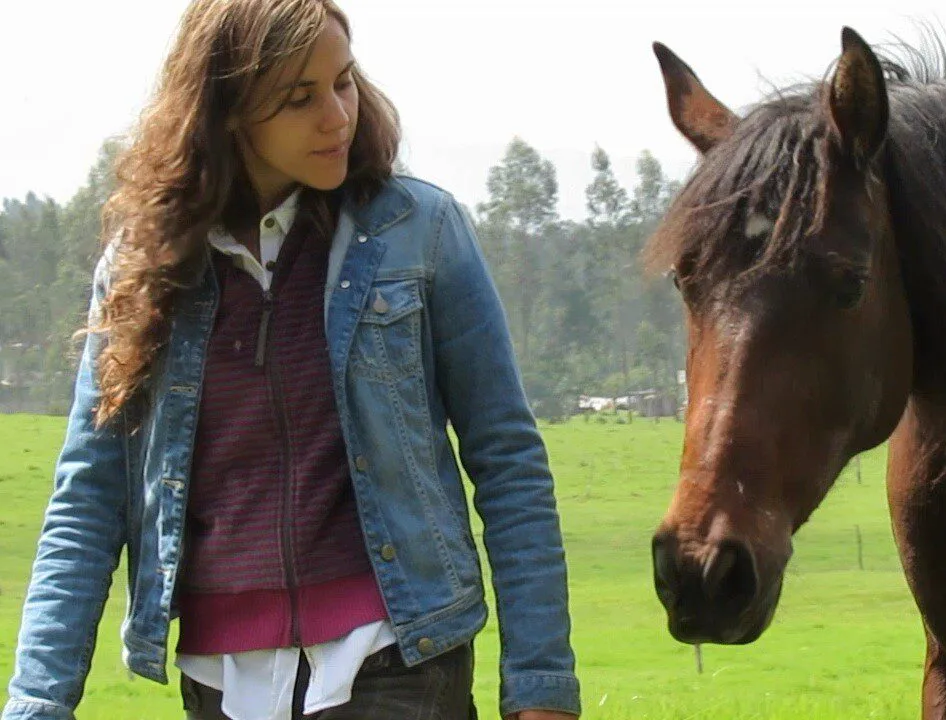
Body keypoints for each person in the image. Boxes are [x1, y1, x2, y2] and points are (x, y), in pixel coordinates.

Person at [2, 1, 580, 718]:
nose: (338, 115)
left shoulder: (419, 231)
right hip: (220, 681)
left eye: (343, 82)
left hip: (398, 658)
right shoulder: (143, 268)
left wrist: (540, 682)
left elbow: (508, 460)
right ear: (228, 110)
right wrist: (36, 701)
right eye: (299, 98)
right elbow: (88, 496)